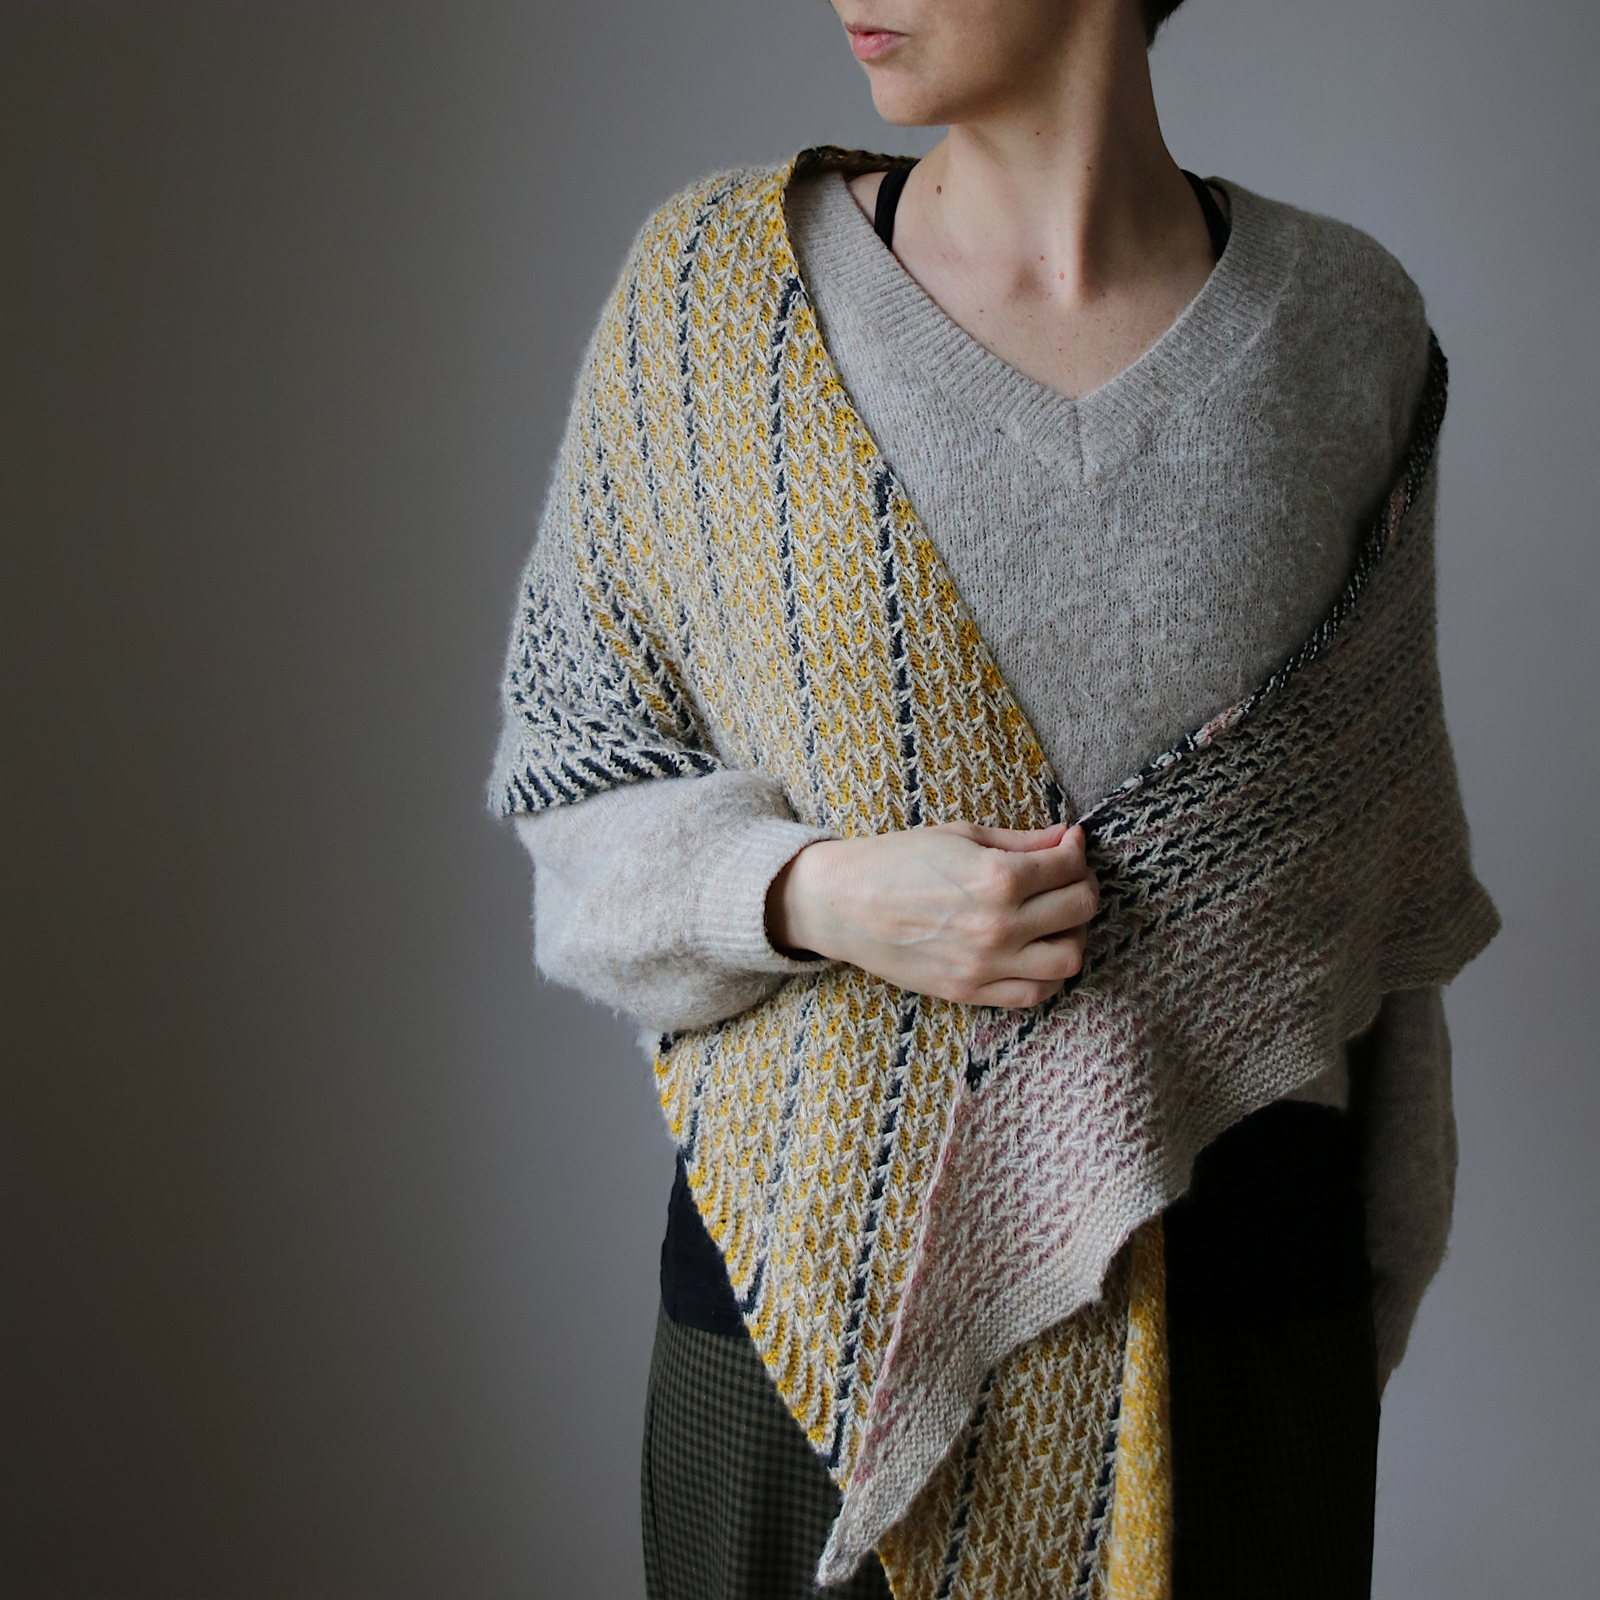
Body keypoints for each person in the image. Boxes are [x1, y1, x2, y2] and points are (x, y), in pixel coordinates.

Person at [489, 2, 1499, 1596]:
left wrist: (1380, 1265)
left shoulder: (1343, 326)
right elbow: (577, 789)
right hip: (815, 1331)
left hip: (1233, 1322)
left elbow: (1382, 888)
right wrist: (816, 894)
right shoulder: (715, 301)